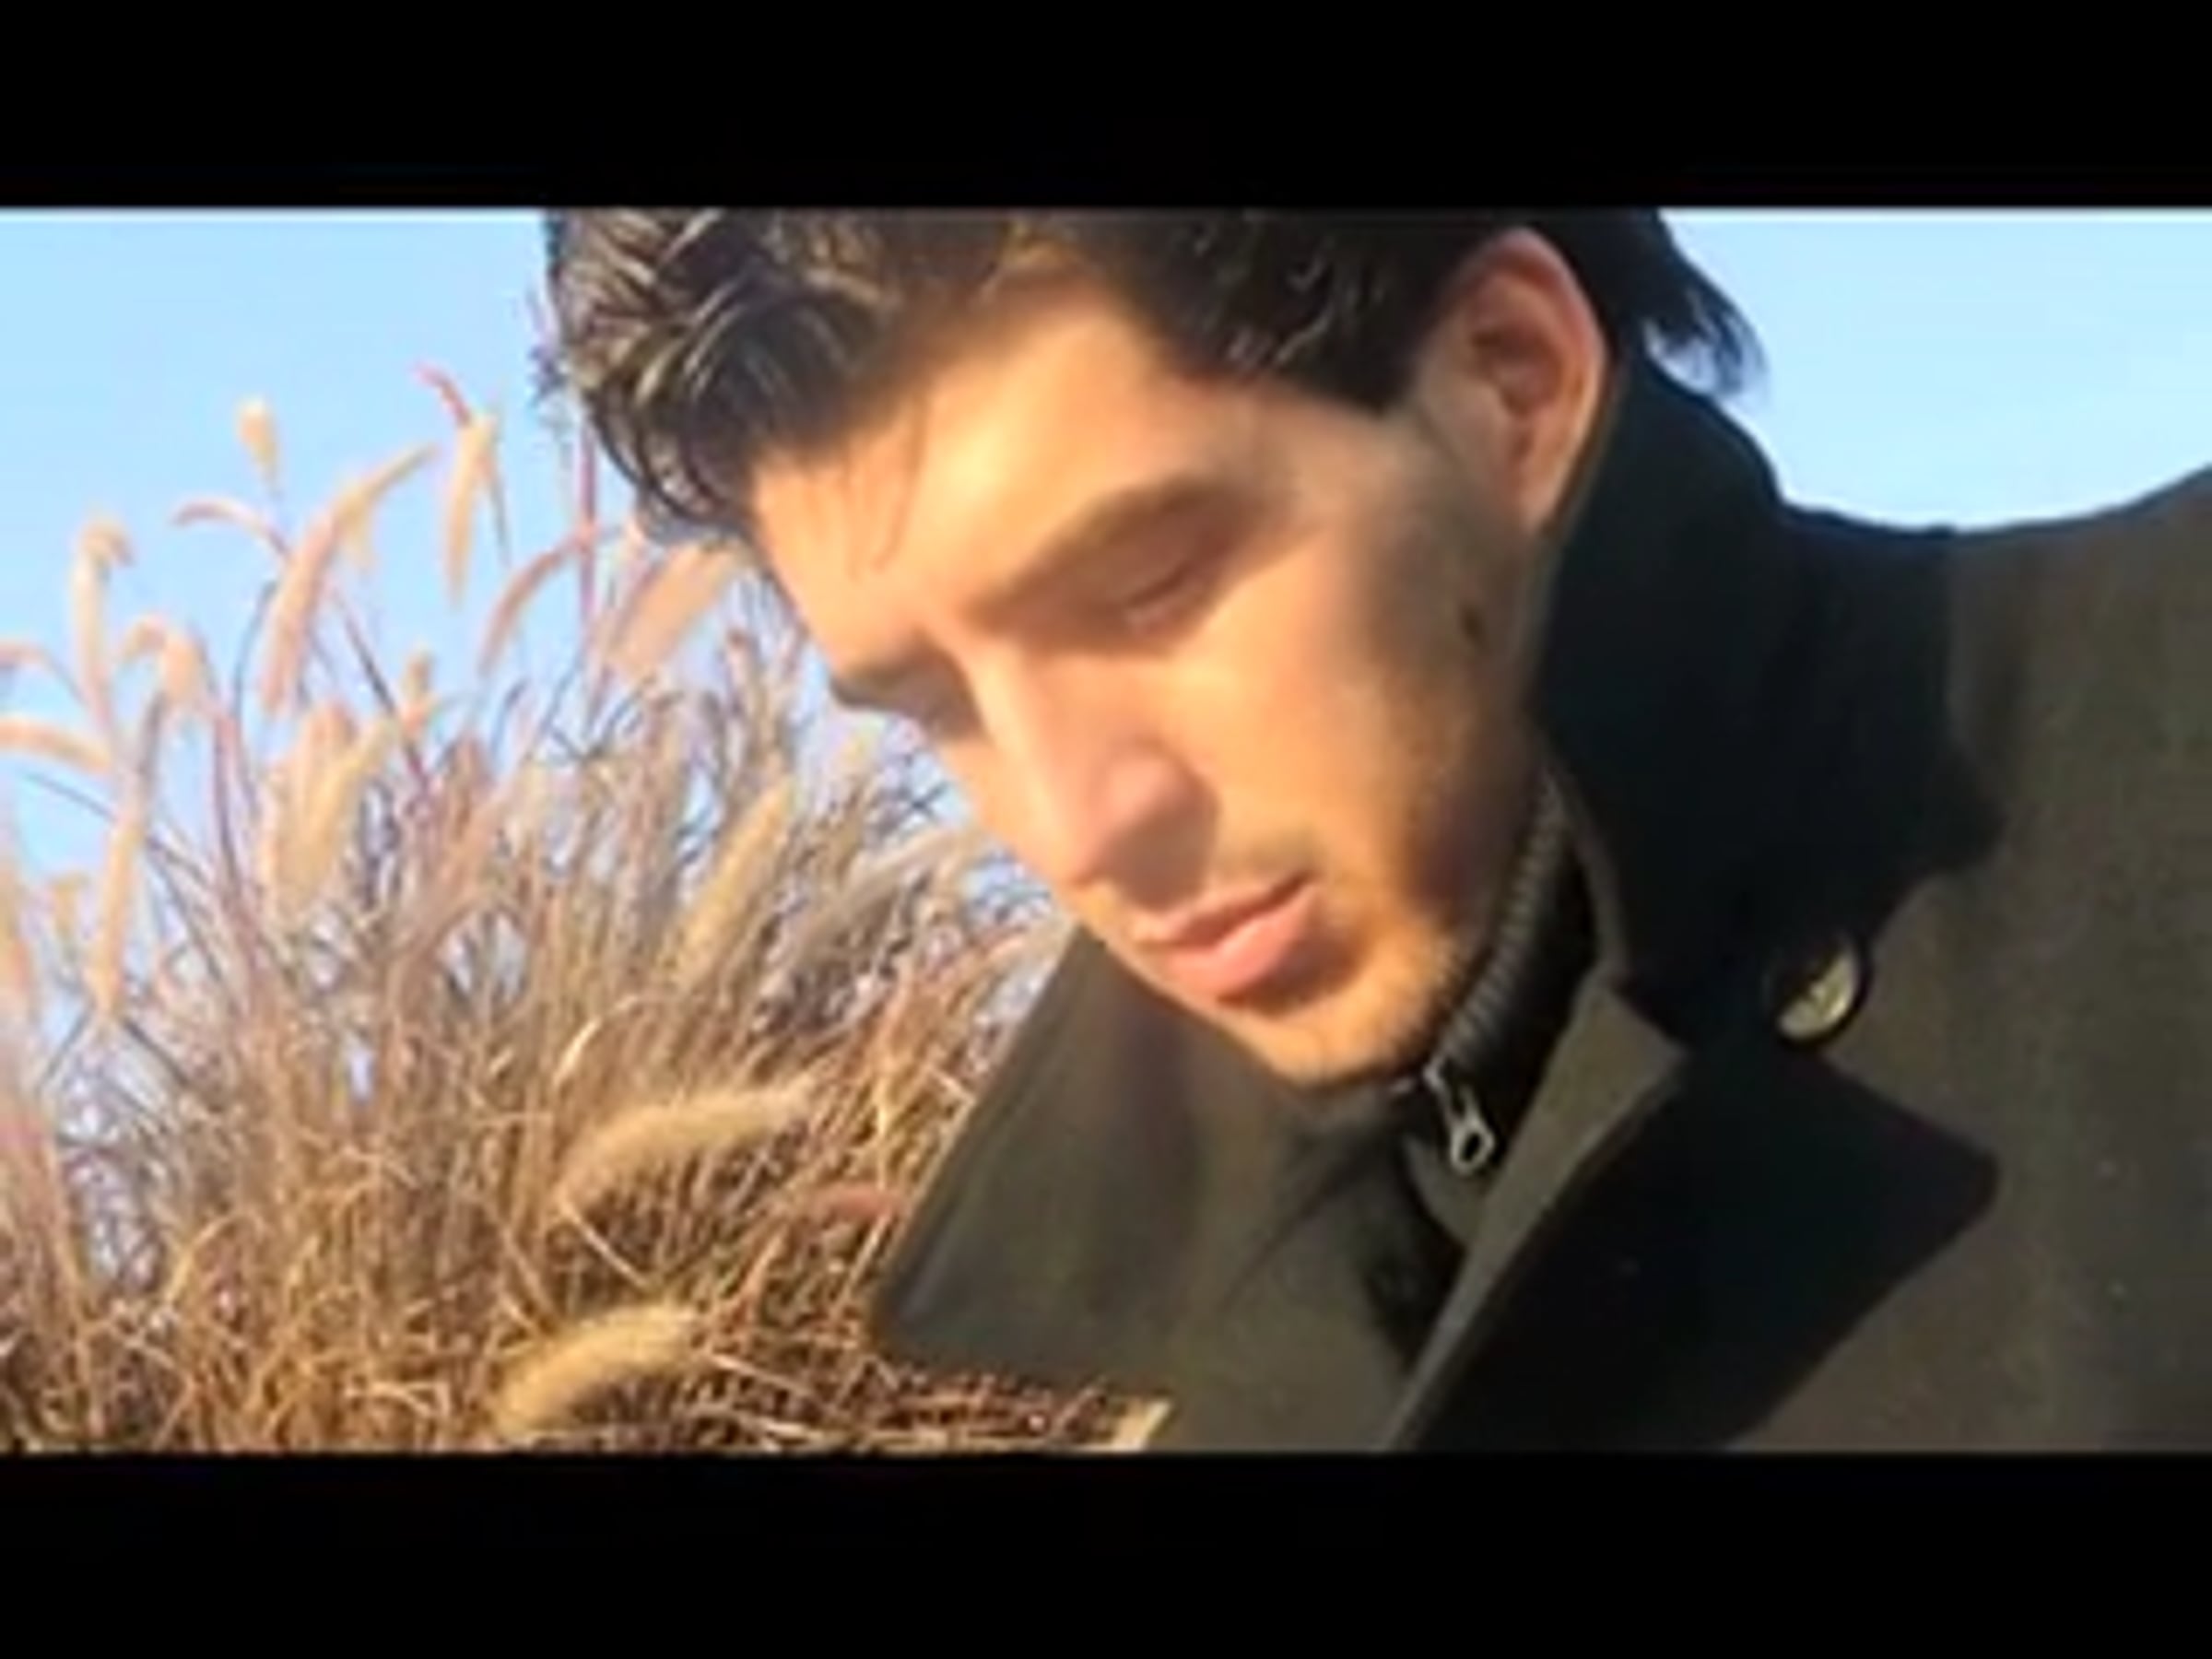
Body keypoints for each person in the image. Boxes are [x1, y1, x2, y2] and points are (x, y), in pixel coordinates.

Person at [540, 210, 2212, 1450]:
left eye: (1150, 586)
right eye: (938, 708)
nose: (1076, 823)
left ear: (1512, 380)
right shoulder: (1220, 1377)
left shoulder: (2167, 713)